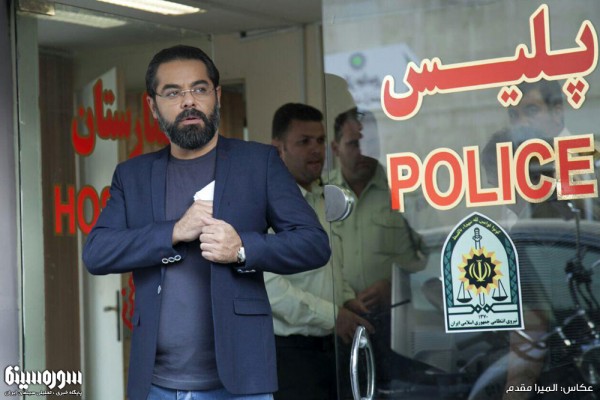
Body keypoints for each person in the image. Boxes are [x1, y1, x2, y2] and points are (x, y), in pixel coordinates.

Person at [82, 45, 331, 400]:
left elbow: (314, 243)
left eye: (199, 89)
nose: (188, 101)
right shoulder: (132, 175)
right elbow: (96, 253)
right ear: (152, 106)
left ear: (217, 96)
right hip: (156, 383)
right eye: (172, 93)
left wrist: (242, 248)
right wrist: (174, 231)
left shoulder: (257, 164)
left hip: (240, 381)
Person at [264, 103, 373, 400]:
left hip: (329, 349)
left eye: (320, 140)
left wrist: (346, 299)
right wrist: (333, 315)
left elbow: (328, 269)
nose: (316, 150)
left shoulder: (322, 199)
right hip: (290, 355)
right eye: (304, 141)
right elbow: (269, 288)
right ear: (278, 149)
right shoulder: (266, 205)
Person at [329, 107, 428, 385]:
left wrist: (396, 286)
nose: (363, 151)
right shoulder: (322, 195)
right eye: (353, 144)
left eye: (371, 142)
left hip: (397, 323)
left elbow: (435, 256)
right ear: (336, 148)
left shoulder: (404, 189)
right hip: (338, 326)